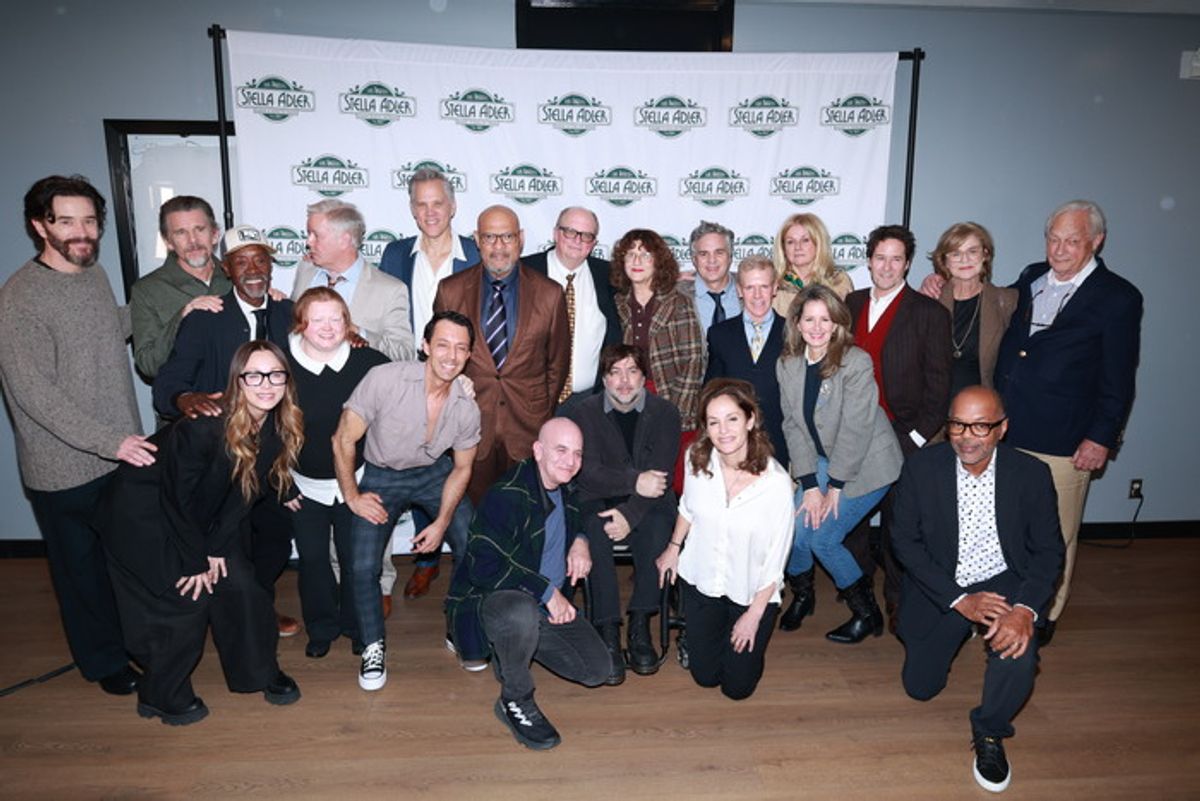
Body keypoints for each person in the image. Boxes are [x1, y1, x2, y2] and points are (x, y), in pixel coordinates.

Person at [0, 174, 152, 698]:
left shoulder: (94, 274)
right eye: (67, 221)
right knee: (81, 575)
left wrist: (170, 310)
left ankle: (134, 643)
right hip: (63, 468)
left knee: (124, 565)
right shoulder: (19, 299)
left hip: (117, 455)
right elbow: (32, 394)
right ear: (40, 225)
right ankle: (103, 663)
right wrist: (110, 441)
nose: (82, 231)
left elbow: (109, 328)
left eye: (89, 221)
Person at [100, 341, 306, 725]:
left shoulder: (278, 426)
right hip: (143, 514)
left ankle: (259, 671)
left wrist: (216, 548)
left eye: (276, 374)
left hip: (199, 513)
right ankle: (160, 694)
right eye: (254, 375)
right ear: (237, 381)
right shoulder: (204, 427)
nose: (267, 384)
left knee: (241, 583)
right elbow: (175, 499)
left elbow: (246, 494)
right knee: (186, 598)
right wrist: (196, 560)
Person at [890, 386, 1064, 793]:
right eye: (957, 424)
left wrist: (1024, 610)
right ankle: (955, 632)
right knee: (920, 689)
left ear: (1002, 428)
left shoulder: (1031, 474)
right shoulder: (921, 468)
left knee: (1018, 652)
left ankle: (989, 731)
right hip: (944, 584)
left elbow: (1048, 552)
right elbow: (904, 542)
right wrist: (959, 600)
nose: (967, 436)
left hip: (1003, 584)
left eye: (981, 426)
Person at [993, 200, 1142, 644]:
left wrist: (1101, 438)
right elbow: (995, 311)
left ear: (1096, 241)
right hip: (1006, 429)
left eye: (1072, 241)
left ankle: (1042, 614)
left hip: (1064, 437)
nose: (1059, 249)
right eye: (1053, 238)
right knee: (1006, 524)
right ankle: (1006, 602)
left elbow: (1120, 376)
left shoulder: (1118, 297)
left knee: (1055, 532)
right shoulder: (1030, 276)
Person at [152, 224, 298, 635]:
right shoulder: (206, 317)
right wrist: (185, 399)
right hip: (222, 460)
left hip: (273, 456)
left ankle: (258, 603)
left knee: (275, 538)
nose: (253, 270)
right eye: (241, 261)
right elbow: (166, 384)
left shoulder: (289, 313)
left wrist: (353, 336)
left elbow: (324, 351)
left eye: (261, 260)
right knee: (232, 542)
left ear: (271, 266)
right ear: (227, 269)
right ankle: (242, 614)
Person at [334, 311, 480, 689]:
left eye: (461, 348)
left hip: (433, 472)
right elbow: (343, 439)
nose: (451, 355)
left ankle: (460, 627)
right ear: (425, 346)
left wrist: (442, 523)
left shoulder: (466, 406)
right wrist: (352, 495)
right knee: (363, 565)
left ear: (469, 356)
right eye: (443, 344)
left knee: (472, 543)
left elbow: (462, 469)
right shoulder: (386, 379)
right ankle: (372, 646)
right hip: (381, 475)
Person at [445, 418, 611, 750]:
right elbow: (483, 567)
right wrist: (547, 591)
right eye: (561, 450)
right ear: (537, 451)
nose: (571, 461)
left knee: (596, 670)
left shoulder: (566, 485)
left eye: (577, 453)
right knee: (519, 613)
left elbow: (579, 510)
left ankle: (510, 650)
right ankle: (514, 698)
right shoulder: (507, 496)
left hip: (542, 603)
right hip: (494, 598)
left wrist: (580, 540)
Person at [776, 285, 903, 641]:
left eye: (825, 320)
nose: (817, 328)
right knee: (798, 530)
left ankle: (867, 614)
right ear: (797, 323)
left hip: (866, 463)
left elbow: (855, 430)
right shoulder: (787, 364)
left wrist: (834, 487)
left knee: (824, 540)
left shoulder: (855, 362)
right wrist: (810, 485)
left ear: (836, 325)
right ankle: (803, 597)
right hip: (821, 460)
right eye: (809, 319)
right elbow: (793, 426)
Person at [655, 379, 794, 700]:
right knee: (705, 677)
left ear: (750, 420)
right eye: (713, 422)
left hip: (750, 591)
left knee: (737, 688)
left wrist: (753, 616)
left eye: (732, 418)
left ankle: (746, 647)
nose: (723, 430)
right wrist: (673, 548)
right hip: (703, 582)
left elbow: (776, 560)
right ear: (705, 427)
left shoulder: (776, 485)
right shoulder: (695, 459)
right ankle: (704, 640)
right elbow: (688, 507)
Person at [844, 224, 953, 627]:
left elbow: (939, 386)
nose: (887, 266)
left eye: (896, 259)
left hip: (902, 436)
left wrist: (915, 439)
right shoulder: (850, 303)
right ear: (869, 260)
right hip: (853, 436)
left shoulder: (929, 314)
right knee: (852, 525)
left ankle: (896, 600)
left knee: (898, 526)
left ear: (907, 264)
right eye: (880, 257)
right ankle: (859, 600)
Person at [379, 168, 479, 600]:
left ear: (453, 206)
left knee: (456, 473)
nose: (430, 211)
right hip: (409, 380)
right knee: (416, 468)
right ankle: (425, 559)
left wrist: (470, 377)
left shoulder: (476, 253)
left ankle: (467, 565)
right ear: (412, 210)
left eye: (437, 202)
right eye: (421, 203)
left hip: (463, 378)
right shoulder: (395, 254)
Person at [433, 205, 570, 504]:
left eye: (507, 237)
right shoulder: (450, 291)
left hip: (528, 428)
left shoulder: (550, 294)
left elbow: (557, 365)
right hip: (468, 429)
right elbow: (436, 362)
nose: (498, 247)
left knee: (524, 521)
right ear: (476, 239)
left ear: (520, 238)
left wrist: (539, 411)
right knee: (473, 524)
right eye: (490, 237)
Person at [564, 343, 681, 683]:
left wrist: (630, 514)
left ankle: (641, 624)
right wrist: (633, 481)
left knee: (658, 528)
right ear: (604, 378)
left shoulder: (665, 413)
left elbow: (659, 480)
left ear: (645, 375)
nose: (624, 381)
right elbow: (586, 472)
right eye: (615, 372)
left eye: (632, 371)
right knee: (596, 533)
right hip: (596, 500)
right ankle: (608, 630)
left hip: (650, 503)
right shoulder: (582, 413)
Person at [284, 287, 389, 658]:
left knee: (356, 562)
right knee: (312, 562)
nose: (328, 328)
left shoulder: (370, 362)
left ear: (348, 323)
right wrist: (282, 486)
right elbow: (266, 432)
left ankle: (359, 627)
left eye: (336, 319)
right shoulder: (282, 365)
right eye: (318, 319)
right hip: (302, 488)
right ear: (301, 323)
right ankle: (322, 628)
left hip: (356, 486)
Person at [522, 206, 622, 408]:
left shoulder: (609, 275)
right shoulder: (523, 272)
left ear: (593, 243)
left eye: (586, 235)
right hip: (530, 399)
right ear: (556, 233)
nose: (577, 240)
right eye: (570, 232)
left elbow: (643, 284)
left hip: (589, 401)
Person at [293, 198, 413, 361]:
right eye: (309, 234)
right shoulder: (305, 270)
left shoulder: (390, 290)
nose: (309, 242)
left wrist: (358, 333)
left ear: (345, 240)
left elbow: (403, 353)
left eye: (316, 235)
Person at [611, 228, 704, 428]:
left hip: (671, 400)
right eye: (631, 254)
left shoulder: (678, 303)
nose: (637, 261)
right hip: (627, 402)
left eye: (645, 255)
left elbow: (694, 360)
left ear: (658, 262)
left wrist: (672, 412)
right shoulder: (617, 303)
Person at [130, 195, 231, 380]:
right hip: (185, 405)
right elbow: (148, 365)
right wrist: (183, 316)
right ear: (168, 241)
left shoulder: (237, 278)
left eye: (199, 229)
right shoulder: (146, 291)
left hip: (244, 403)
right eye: (181, 233)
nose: (193, 240)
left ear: (215, 234)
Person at [704, 254, 789, 466]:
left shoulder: (794, 333)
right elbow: (711, 390)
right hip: (732, 443)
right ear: (740, 290)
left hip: (780, 441)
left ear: (775, 288)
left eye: (764, 286)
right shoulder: (719, 334)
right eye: (750, 287)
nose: (757, 295)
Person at [927, 222, 1017, 395]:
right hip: (933, 408)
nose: (964, 259)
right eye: (955, 253)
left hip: (982, 410)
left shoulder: (1007, 302)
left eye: (972, 251)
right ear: (945, 260)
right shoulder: (930, 300)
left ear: (985, 254)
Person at [771, 212, 854, 317]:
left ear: (819, 243)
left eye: (805, 240)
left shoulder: (838, 281)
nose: (797, 247)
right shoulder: (774, 285)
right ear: (783, 248)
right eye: (790, 242)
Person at [688, 220, 741, 336]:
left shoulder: (751, 287)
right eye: (703, 254)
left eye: (719, 252)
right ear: (693, 259)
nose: (712, 260)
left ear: (730, 256)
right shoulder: (676, 294)